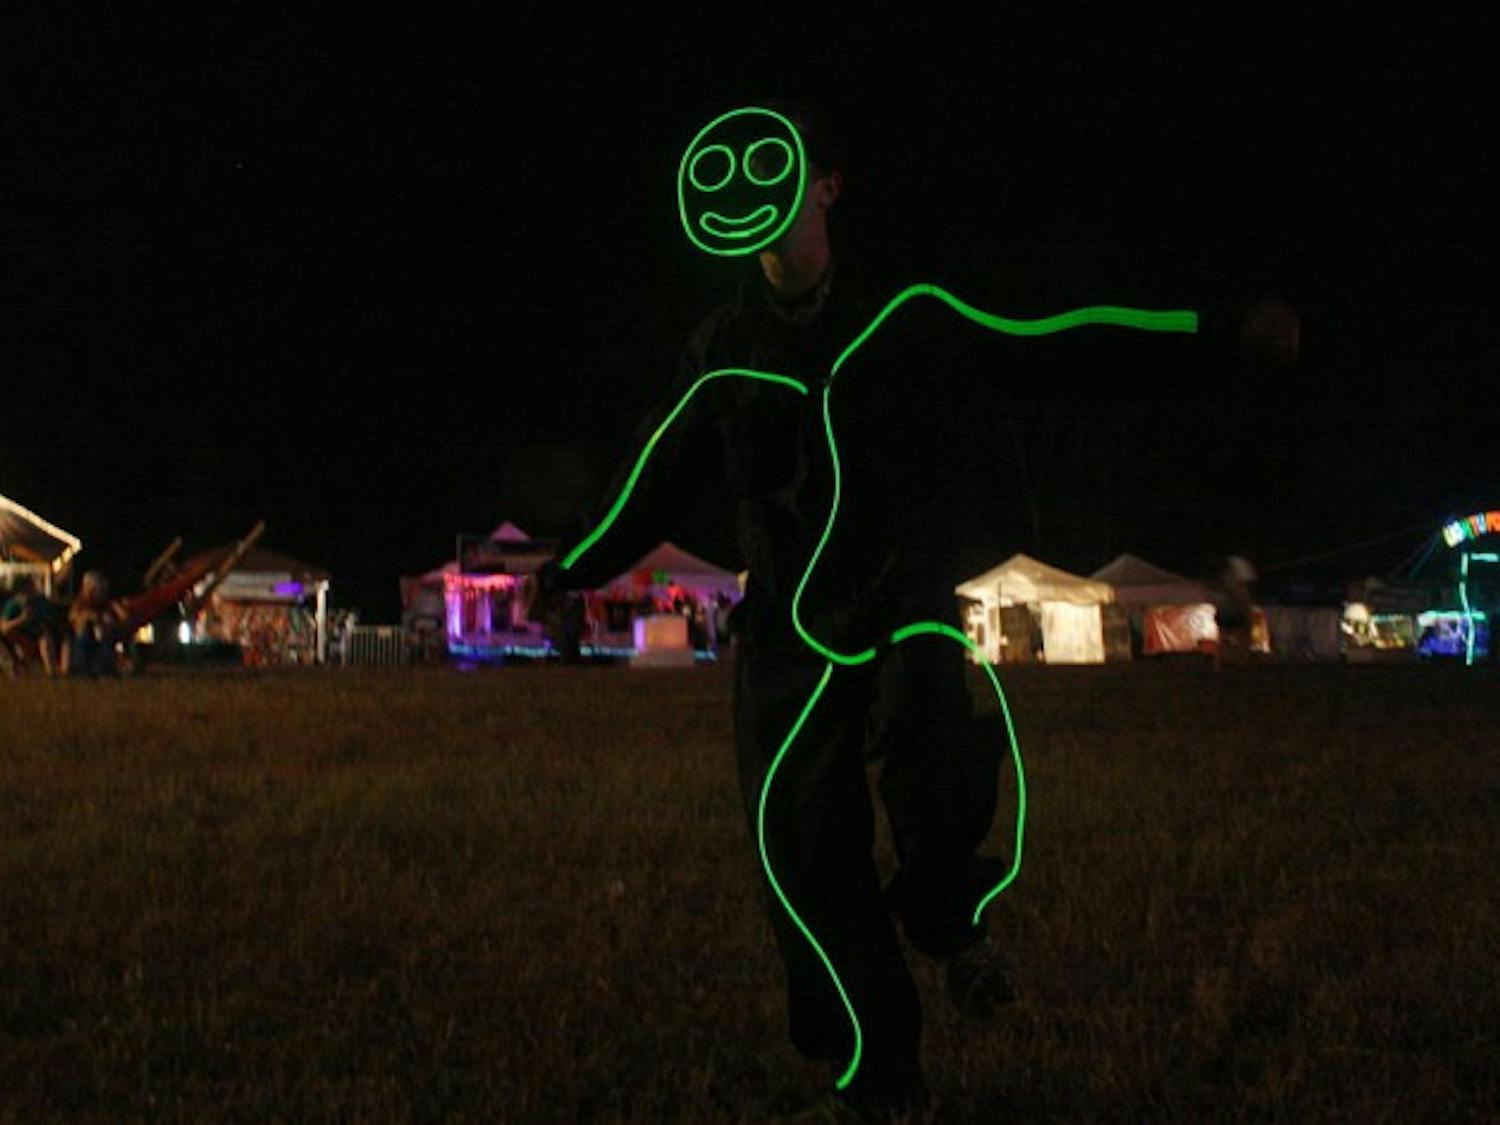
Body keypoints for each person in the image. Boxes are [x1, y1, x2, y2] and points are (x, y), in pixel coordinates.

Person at [536, 101, 1017, 1122]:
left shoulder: (902, 314)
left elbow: (1058, 338)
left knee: (933, 756)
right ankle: (886, 1081)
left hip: (900, 604)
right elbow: (654, 476)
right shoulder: (721, 350)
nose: (746, 190)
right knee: (802, 857)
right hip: (788, 638)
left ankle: (948, 919)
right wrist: (570, 565)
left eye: (773, 167)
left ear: (826, 185)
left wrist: (1215, 327)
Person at [1, 576, 68, 676]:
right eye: (30, 586)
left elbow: (53, 618)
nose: (33, 588)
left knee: (47, 637)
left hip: (39, 637)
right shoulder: (13, 605)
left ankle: (54, 671)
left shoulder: (39, 602)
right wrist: (20, 620)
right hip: (21, 640)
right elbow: (3, 627)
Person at [67, 570, 127, 678]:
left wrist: (113, 615)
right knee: (85, 636)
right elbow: (74, 617)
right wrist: (91, 617)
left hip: (103, 635)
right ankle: (86, 669)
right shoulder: (81, 602)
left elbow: (124, 618)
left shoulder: (106, 602)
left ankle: (102, 668)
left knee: (107, 639)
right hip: (84, 637)